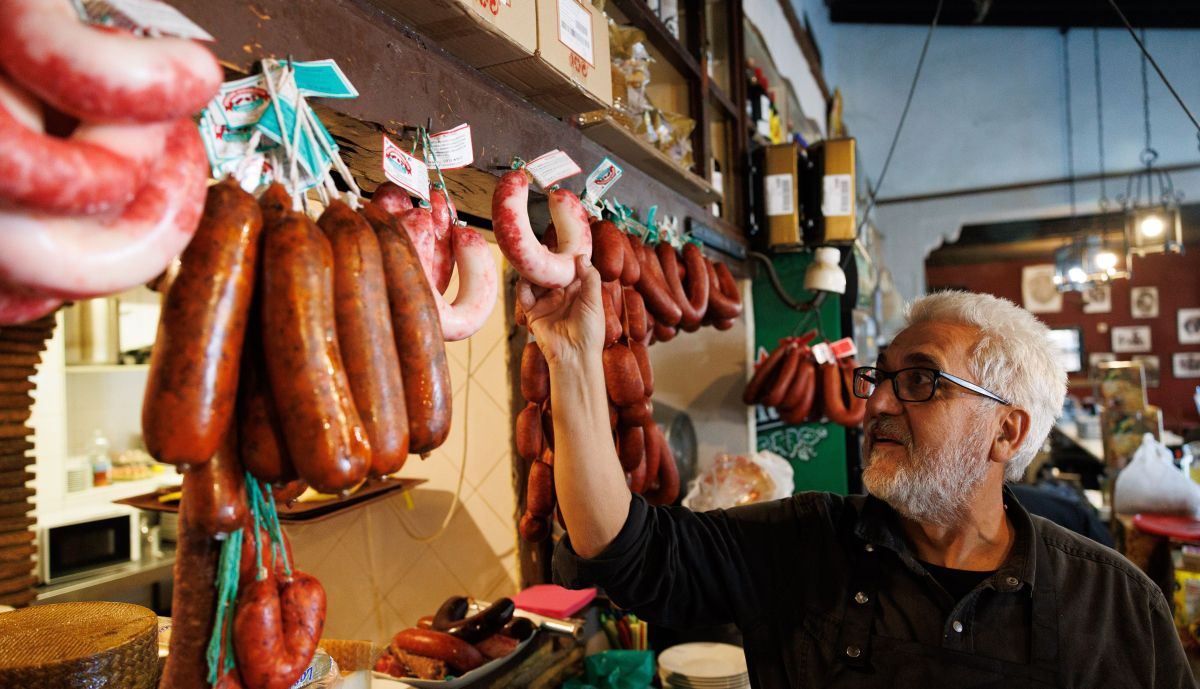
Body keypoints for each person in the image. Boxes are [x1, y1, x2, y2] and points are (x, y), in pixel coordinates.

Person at [518, 256, 1195, 689]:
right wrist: (572, 358)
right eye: (880, 377)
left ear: (1006, 430)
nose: (876, 404)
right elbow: (624, 547)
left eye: (921, 380)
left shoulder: (1116, 606)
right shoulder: (804, 540)